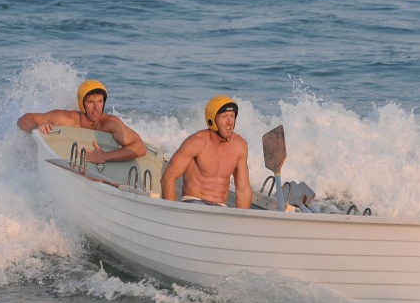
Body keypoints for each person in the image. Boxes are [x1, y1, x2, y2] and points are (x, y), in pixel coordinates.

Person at [17, 79, 146, 163]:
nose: (96, 108)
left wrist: (105, 156)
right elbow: (22, 120)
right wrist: (37, 126)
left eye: (100, 101)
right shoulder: (66, 119)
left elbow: (140, 148)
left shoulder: (109, 123)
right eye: (90, 102)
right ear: (82, 104)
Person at [161, 96, 251, 209]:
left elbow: (243, 190)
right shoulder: (197, 142)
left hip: (220, 207)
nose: (230, 122)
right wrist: (173, 213)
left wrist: (241, 219)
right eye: (224, 117)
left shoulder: (239, 145)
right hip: (193, 203)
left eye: (232, 116)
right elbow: (168, 178)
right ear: (212, 120)